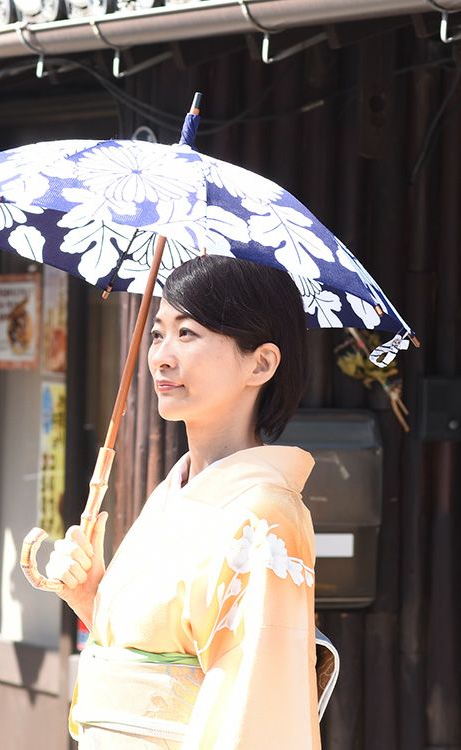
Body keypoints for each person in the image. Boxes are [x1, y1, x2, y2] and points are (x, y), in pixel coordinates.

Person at [45, 255, 322, 749]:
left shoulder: (264, 517)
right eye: (157, 334)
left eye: (187, 333)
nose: (161, 357)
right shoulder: (178, 491)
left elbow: (255, 709)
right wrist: (92, 595)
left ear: (261, 363)